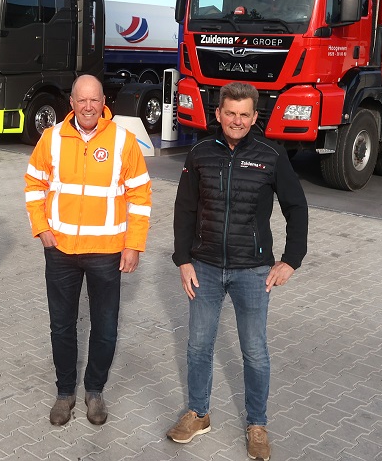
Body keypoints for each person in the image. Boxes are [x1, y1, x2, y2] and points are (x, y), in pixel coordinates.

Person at [167, 81, 308, 461]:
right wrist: (183, 260)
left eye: (245, 114)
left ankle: (257, 424)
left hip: (253, 271)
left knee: (254, 352)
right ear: (218, 113)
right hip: (205, 267)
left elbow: (296, 207)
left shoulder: (271, 155)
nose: (237, 120)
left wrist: (291, 260)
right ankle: (198, 414)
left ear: (254, 116)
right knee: (198, 346)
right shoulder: (199, 153)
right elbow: (184, 209)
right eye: (230, 112)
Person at [24, 74, 152, 427]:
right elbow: (34, 183)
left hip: (107, 251)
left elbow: (140, 196)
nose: (88, 106)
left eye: (94, 100)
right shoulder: (51, 139)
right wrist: (42, 228)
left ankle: (94, 391)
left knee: (106, 327)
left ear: (103, 101)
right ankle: (65, 392)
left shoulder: (123, 141)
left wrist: (134, 245)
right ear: (72, 103)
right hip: (61, 249)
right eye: (82, 100)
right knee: (62, 326)